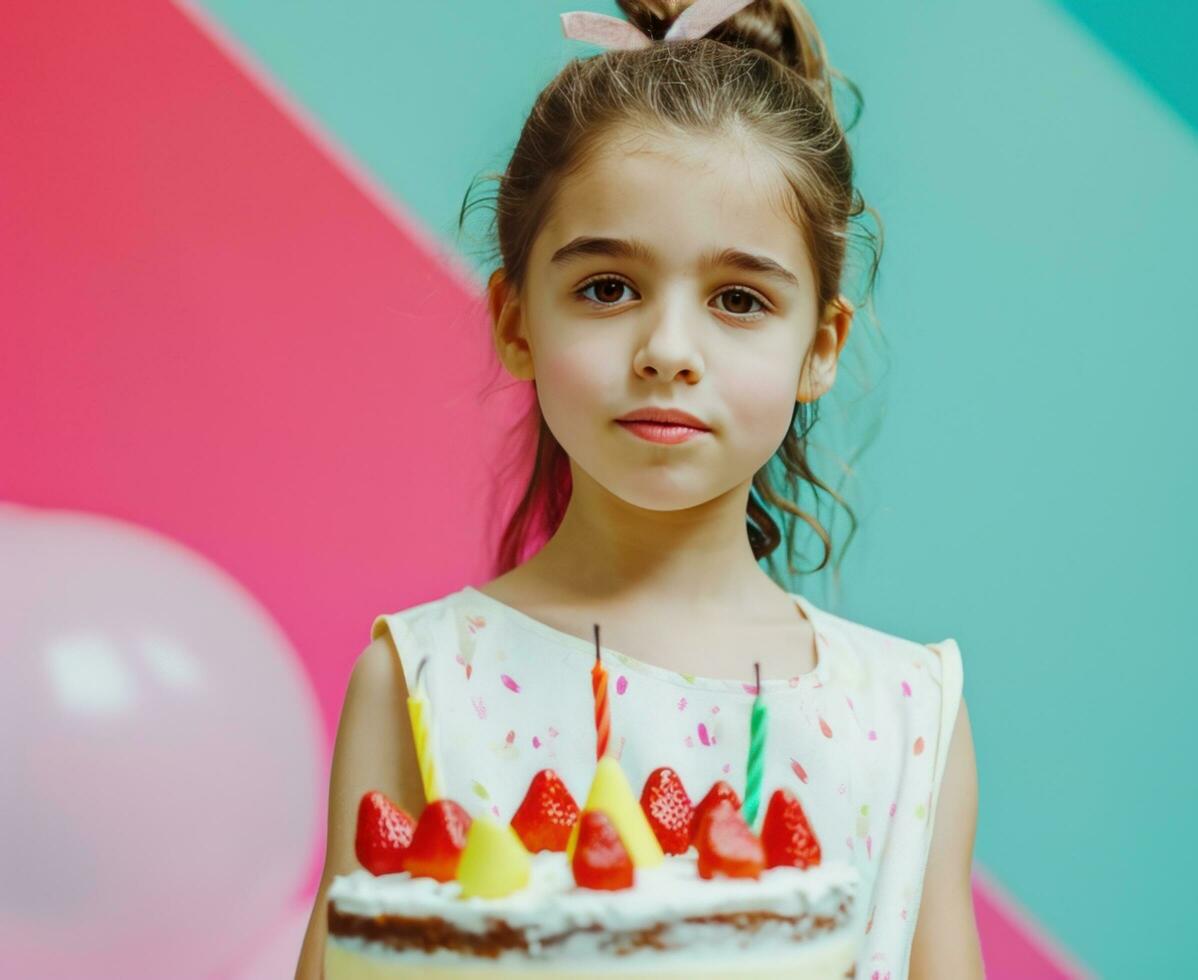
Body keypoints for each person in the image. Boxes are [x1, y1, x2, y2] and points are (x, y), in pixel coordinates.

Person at [295, 2, 981, 976]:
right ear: (517, 316)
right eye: (608, 286)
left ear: (819, 346)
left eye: (739, 299)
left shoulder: (911, 713)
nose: (667, 350)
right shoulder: (423, 679)